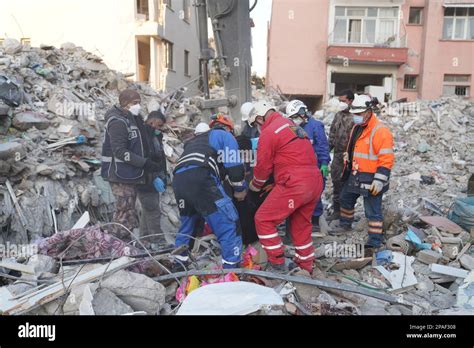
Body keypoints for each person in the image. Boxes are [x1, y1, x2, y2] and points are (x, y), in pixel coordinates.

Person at [248, 100, 323, 274]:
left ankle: (277, 263)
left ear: (259, 118)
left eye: (255, 124)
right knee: (301, 225)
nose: (257, 128)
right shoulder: (291, 126)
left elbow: (263, 167)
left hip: (295, 184)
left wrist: (255, 186)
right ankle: (306, 266)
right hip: (313, 182)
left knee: (263, 219)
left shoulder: (269, 132)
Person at [172, 113, 246, 269]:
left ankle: (178, 266)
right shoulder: (224, 135)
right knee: (229, 223)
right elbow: (234, 165)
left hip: (179, 180)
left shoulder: (193, 142)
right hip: (201, 178)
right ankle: (232, 271)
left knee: (188, 224)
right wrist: (239, 189)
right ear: (228, 128)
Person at [101, 89, 165, 241]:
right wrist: (144, 163)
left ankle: (124, 244)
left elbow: (141, 139)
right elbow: (120, 151)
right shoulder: (117, 122)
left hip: (131, 174)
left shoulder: (133, 118)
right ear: (125, 104)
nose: (138, 106)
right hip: (119, 174)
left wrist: (153, 132)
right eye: (135, 103)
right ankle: (115, 246)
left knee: (129, 212)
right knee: (124, 212)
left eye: (139, 103)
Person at [336, 94, 395, 256]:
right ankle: (345, 224)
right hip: (356, 174)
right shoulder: (357, 128)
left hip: (372, 178)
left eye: (359, 114)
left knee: (372, 211)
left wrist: (379, 180)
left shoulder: (381, 131)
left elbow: (386, 158)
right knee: (345, 198)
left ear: (369, 112)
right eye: (354, 113)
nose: (356, 117)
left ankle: (374, 241)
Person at [286, 100, 330, 231]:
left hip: (315, 167)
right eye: (292, 118)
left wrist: (324, 164)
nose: (294, 120)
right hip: (299, 168)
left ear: (302, 113)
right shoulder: (292, 127)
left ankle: (315, 222)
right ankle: (298, 221)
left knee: (315, 196)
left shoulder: (316, 126)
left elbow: (322, 146)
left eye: (295, 117)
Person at [136, 110, 168, 248]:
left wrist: (163, 176)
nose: (159, 129)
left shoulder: (155, 136)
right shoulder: (142, 136)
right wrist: (154, 177)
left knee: (147, 210)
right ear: (151, 121)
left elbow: (159, 159)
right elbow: (144, 160)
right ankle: (158, 241)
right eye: (159, 125)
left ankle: (143, 241)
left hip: (152, 179)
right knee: (153, 210)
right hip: (145, 180)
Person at [327, 90, 355, 222]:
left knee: (348, 185)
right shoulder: (338, 115)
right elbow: (332, 133)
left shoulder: (356, 116)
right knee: (336, 182)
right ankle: (337, 211)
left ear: (350, 101)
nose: (341, 104)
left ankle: (347, 215)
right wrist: (326, 151)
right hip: (337, 156)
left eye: (343, 101)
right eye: (339, 101)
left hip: (350, 157)